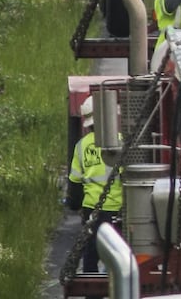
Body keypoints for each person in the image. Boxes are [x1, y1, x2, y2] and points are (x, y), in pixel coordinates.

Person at [68, 95, 122, 273]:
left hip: (93, 211)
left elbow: (75, 181)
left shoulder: (81, 146)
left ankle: (92, 291)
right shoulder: (121, 142)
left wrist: (74, 205)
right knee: (119, 257)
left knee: (91, 256)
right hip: (120, 211)